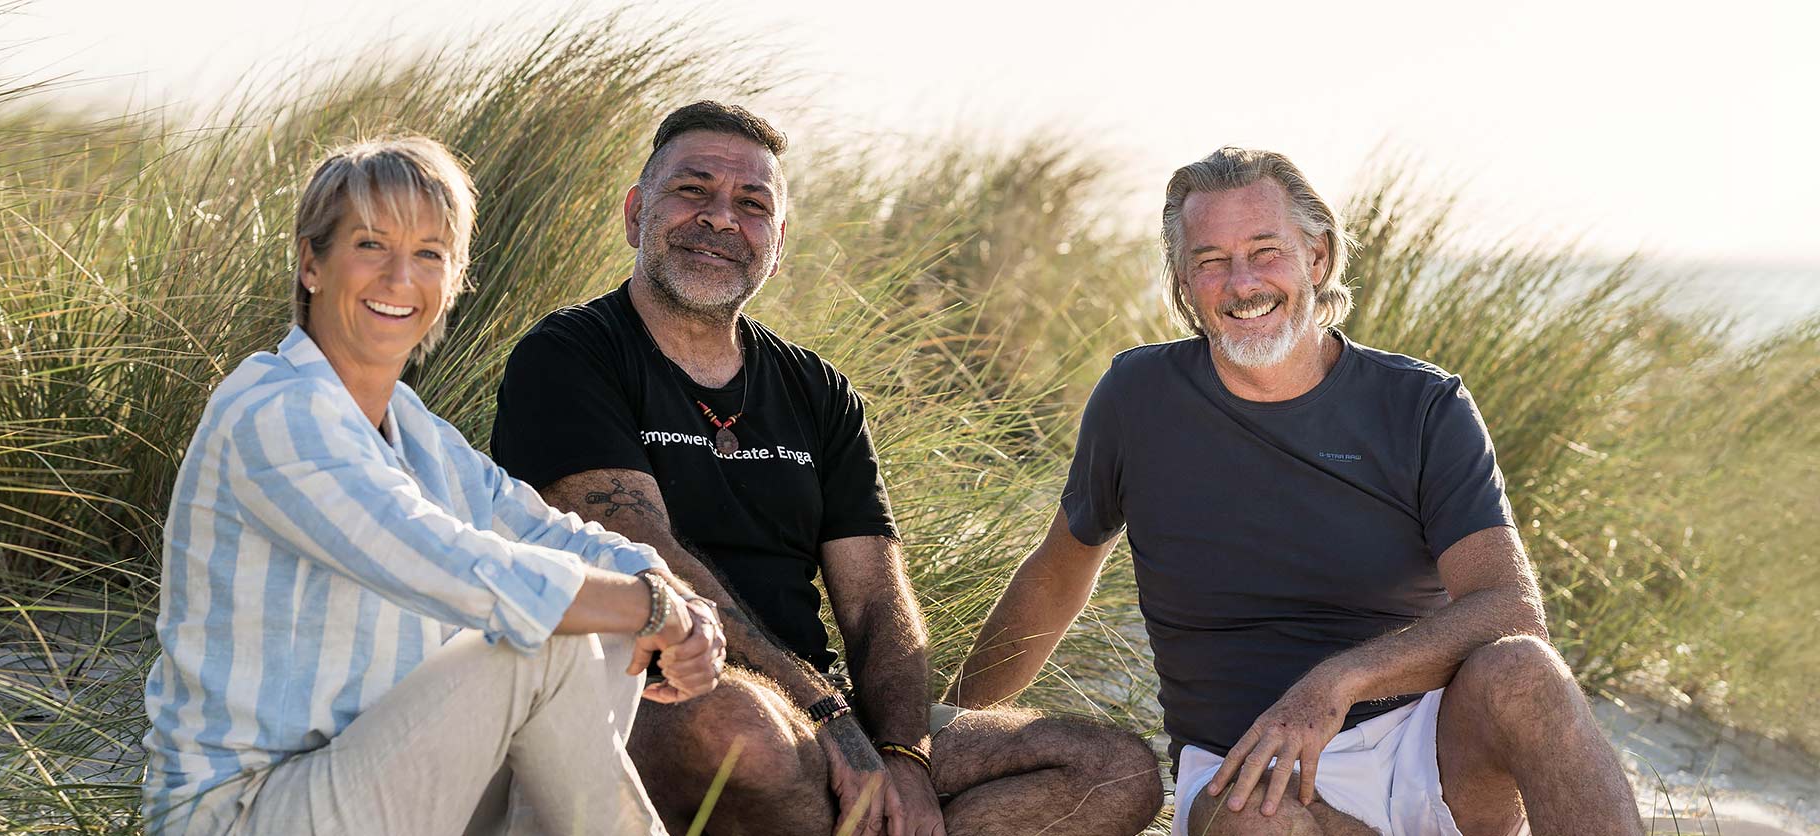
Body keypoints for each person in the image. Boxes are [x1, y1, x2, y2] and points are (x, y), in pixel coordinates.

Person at [491, 101, 1163, 836]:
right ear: (635, 214)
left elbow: (876, 599)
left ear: (777, 243)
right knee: (745, 730)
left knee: (1114, 768)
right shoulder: (569, 356)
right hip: (647, 694)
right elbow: (645, 554)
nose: (720, 218)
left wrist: (903, 753)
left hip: (820, 715)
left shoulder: (816, 390)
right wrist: (827, 714)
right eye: (692, 189)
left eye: (753, 204)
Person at [949, 146, 1644, 836]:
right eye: (1211, 260)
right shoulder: (1138, 398)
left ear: (1317, 257)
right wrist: (947, 729)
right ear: (1184, 281)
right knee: (1253, 819)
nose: (1242, 282)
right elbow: (1057, 576)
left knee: (1524, 670)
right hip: (1247, 769)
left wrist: (1336, 684)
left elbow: (1509, 608)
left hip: (1426, 751)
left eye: (1265, 251)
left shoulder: (1422, 406)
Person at [141, 136, 725, 836]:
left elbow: (541, 531)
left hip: (380, 787)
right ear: (311, 263)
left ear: (453, 280)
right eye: (370, 245)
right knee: (550, 635)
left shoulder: (413, 427)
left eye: (429, 254)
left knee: (593, 613)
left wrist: (671, 594)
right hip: (249, 811)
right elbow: (452, 567)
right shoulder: (274, 411)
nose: (399, 278)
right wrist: (650, 605)